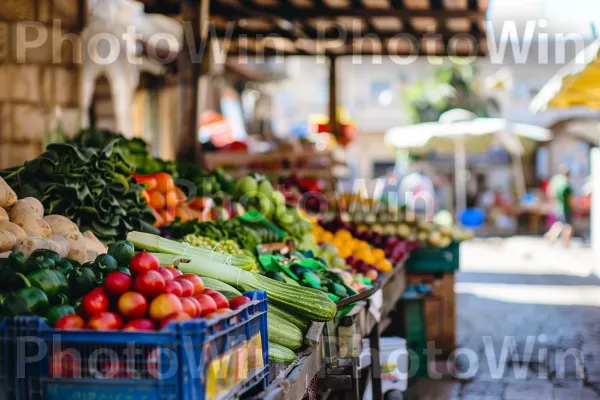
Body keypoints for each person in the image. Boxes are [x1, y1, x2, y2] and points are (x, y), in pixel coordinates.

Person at [544, 164, 574, 246]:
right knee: (568, 225)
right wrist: (573, 207)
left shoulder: (556, 180)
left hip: (557, 206)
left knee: (560, 223)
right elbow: (569, 199)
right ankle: (566, 242)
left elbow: (550, 191)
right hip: (565, 207)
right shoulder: (566, 184)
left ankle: (551, 235)